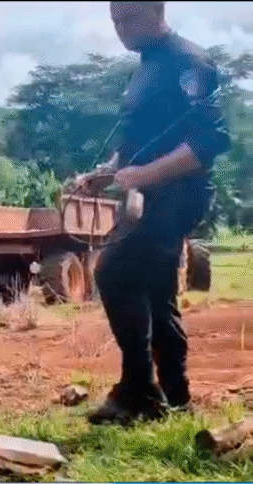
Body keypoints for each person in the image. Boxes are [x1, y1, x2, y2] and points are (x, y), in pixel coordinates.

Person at [85, 2, 231, 426]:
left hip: (179, 196)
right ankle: (175, 393)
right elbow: (138, 140)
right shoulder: (146, 66)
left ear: (156, 10)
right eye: (115, 21)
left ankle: (138, 390)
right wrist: (107, 172)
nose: (121, 30)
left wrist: (143, 175)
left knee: (113, 272)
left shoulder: (189, 62)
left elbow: (209, 143)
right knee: (155, 290)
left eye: (129, 18)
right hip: (147, 196)